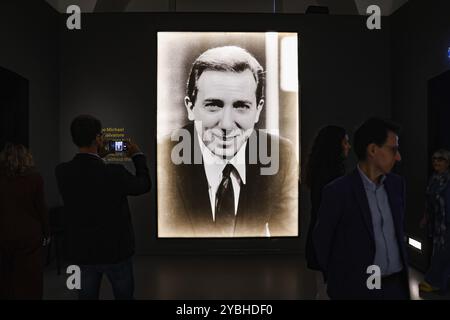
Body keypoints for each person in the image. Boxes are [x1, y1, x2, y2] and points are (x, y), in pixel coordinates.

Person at [158, 45, 298, 237]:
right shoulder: (163, 158)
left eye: (241, 106)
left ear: (258, 110)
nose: (226, 124)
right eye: (213, 106)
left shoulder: (281, 155)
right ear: (190, 107)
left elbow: (285, 240)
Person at [313, 117, 410, 299]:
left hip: (396, 287)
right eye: (393, 150)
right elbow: (323, 242)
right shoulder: (337, 191)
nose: (398, 157)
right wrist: (340, 281)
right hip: (357, 289)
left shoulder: (397, 185)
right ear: (373, 150)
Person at [55, 115, 151, 300]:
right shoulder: (115, 173)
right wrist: (137, 156)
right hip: (116, 252)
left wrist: (97, 157)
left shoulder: (62, 171)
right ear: (98, 138)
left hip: (82, 252)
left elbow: (87, 174)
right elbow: (144, 184)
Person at [0, 143, 49, 299]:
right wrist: (47, 232)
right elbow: (41, 208)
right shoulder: (35, 178)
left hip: (4, 235)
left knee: (7, 280)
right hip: (30, 237)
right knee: (31, 281)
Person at [305, 125, 351, 270]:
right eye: (345, 142)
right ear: (335, 145)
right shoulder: (331, 176)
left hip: (320, 242)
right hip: (328, 245)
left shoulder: (319, 171)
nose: (348, 146)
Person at [419, 149, 450, 293]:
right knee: (439, 251)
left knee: (443, 252)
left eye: (440, 159)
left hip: (447, 222)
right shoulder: (433, 179)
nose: (436, 162)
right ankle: (437, 282)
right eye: (434, 159)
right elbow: (429, 201)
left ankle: (437, 282)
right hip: (438, 224)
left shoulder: (448, 179)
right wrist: (426, 217)